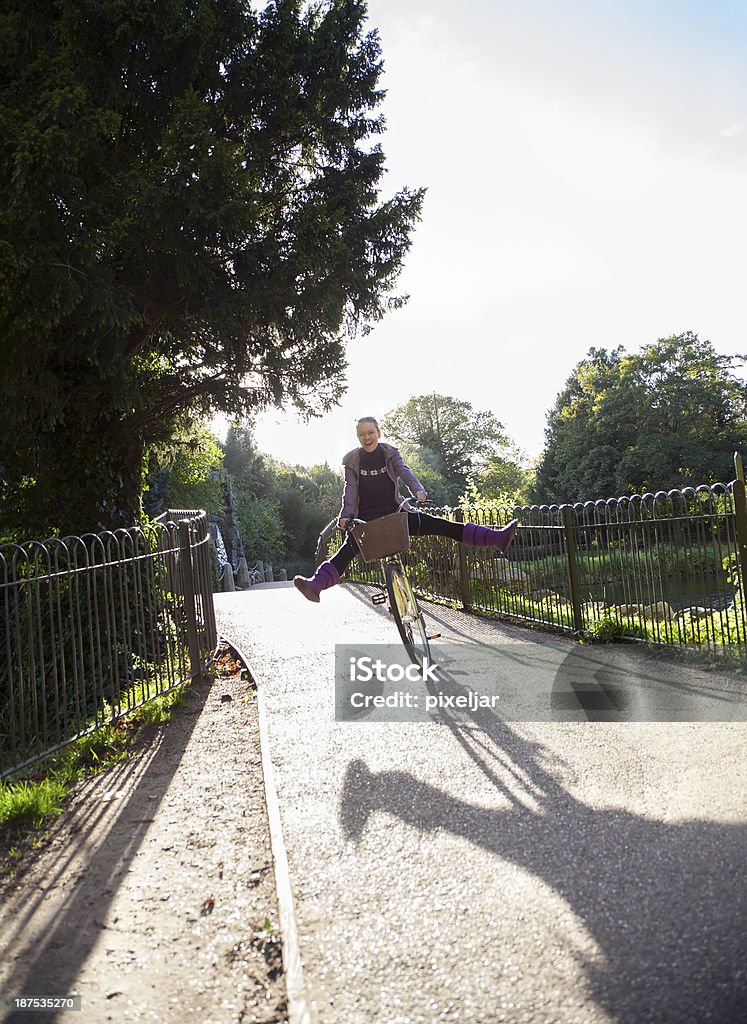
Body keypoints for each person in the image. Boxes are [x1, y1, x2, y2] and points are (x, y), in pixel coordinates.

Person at [293, 417, 518, 602]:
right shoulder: (352, 461)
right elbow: (349, 489)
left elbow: (404, 471)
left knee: (442, 525)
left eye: (370, 432)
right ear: (358, 437)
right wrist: (345, 515)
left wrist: (418, 490)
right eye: (362, 434)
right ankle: (316, 585)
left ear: (378, 433)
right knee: (345, 551)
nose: (366, 437)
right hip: (366, 523)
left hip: (397, 515)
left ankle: (496, 538)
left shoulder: (389, 453)